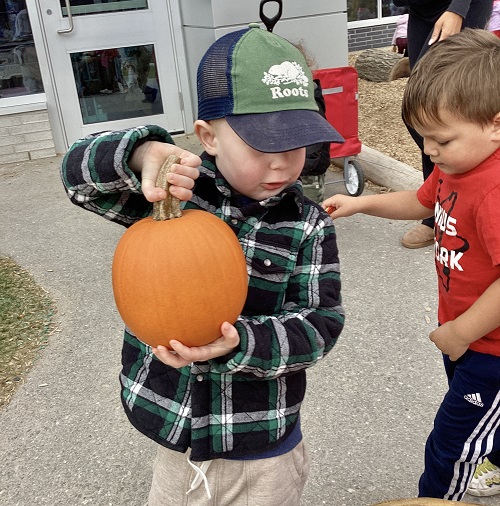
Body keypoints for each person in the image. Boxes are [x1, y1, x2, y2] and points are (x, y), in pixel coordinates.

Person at [61, 24, 345, 505]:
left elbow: (321, 324)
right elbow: (77, 179)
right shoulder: (173, 194)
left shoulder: (308, 225)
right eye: (261, 147)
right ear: (209, 136)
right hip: (177, 432)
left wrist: (240, 344)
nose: (280, 166)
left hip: (264, 443)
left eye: (294, 146)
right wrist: (140, 153)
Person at [323, 29, 500, 501]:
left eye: (439, 139)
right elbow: (420, 200)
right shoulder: (455, 165)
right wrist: (361, 206)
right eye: (422, 138)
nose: (428, 151)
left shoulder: (494, 191)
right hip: (465, 334)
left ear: (496, 124)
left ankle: (434, 500)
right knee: (483, 421)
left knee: (451, 447)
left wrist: (461, 332)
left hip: (490, 349)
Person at [393, 0, 492, 249]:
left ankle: (475, 194)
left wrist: (457, 9)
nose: (430, 148)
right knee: (424, 114)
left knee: (444, 107)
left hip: (457, 7)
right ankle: (437, 210)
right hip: (421, 10)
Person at [293, 41, 332, 204]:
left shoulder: (310, 105)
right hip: (299, 170)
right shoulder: (298, 100)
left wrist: (297, 169)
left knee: (307, 210)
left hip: (309, 174)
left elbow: (314, 143)